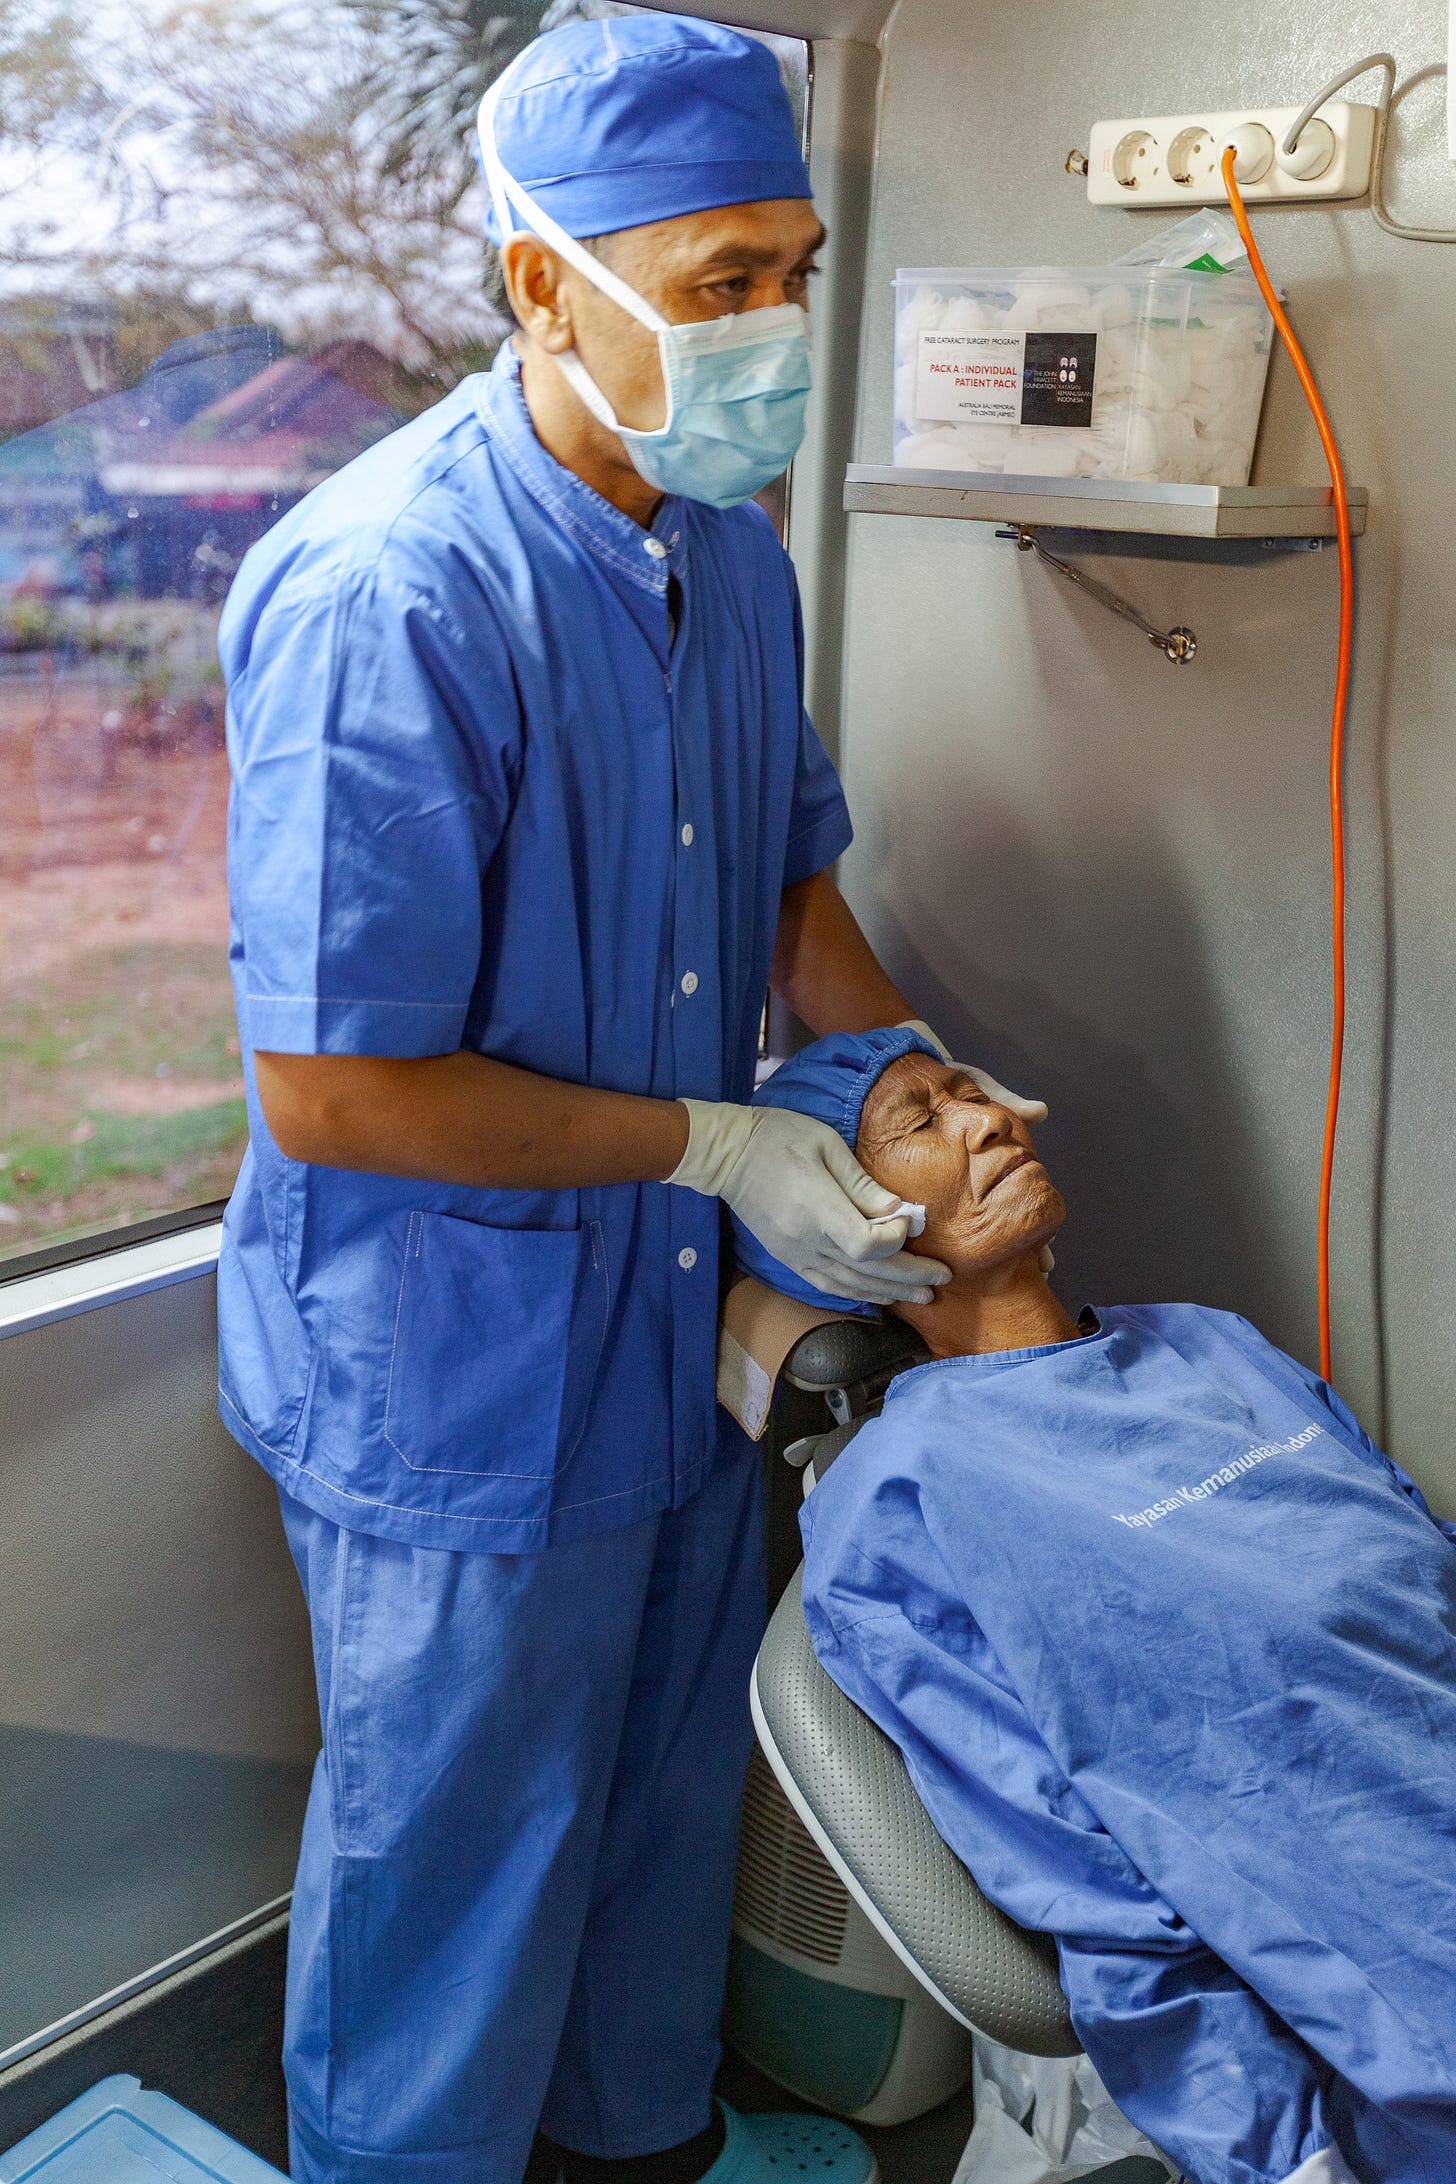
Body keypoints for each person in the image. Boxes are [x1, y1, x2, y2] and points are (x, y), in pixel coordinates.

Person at [217, 19, 1042, 2184]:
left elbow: (789, 907)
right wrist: (713, 1143)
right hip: (454, 1382)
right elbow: (331, 1089)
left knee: (658, 1826)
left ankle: (630, 2151)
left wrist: (894, 1084)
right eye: (713, 286)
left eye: (793, 267)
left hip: (669, 1350)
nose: (772, 328)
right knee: (459, 1877)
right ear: (538, 286)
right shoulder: (393, 594)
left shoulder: (725, 552)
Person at [732, 1026, 1456, 2184]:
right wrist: (1281, 2157)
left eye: (972, 1092)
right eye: (922, 1121)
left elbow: (1413, 1567)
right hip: (1403, 1979)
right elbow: (1076, 1879)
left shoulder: (1207, 1344)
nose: (989, 1120)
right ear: (844, 1232)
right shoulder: (901, 1498)